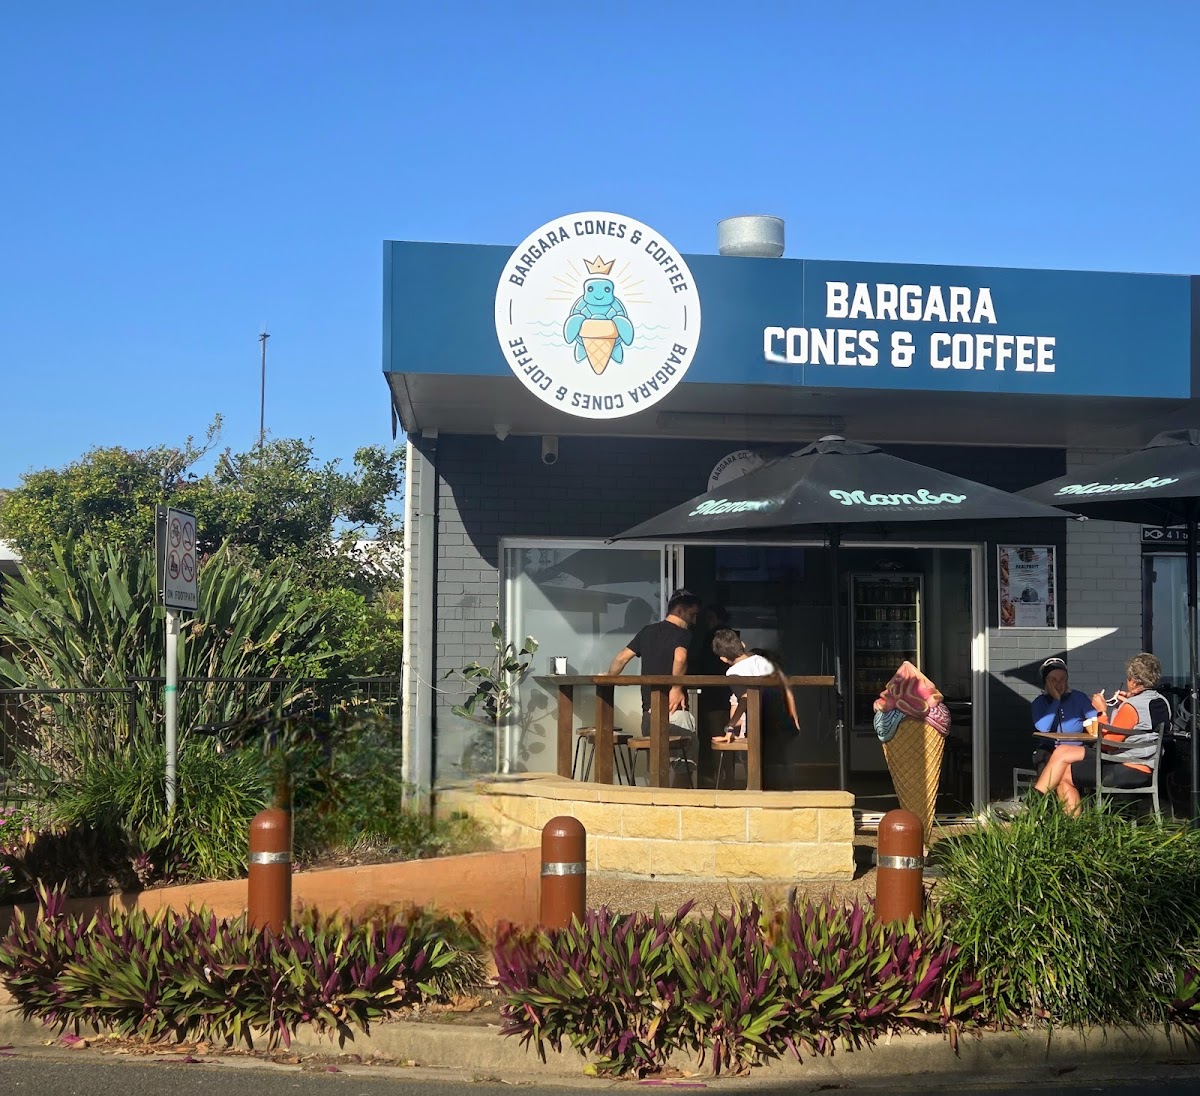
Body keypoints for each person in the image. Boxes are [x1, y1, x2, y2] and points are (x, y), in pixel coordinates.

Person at [1034, 652, 1171, 814]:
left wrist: (1101, 712)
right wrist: (1127, 702)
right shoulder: (1162, 702)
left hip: (1127, 768)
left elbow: (1107, 745)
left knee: (1064, 774)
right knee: (1063, 751)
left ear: (1133, 681)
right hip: (1145, 764)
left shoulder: (1131, 707)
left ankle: (1064, 822)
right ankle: (1033, 803)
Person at [709, 628, 799, 788]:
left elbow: (744, 700)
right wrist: (794, 717)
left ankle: (753, 793)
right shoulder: (762, 660)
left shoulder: (733, 672)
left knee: (751, 761)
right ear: (742, 644)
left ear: (723, 658)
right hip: (778, 719)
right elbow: (785, 688)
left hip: (756, 723)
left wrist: (730, 728)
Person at [607, 589, 700, 732]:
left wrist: (608, 680)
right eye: (692, 615)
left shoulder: (647, 631)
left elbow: (621, 658)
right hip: (674, 708)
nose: (694, 621)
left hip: (649, 711)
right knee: (683, 753)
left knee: (654, 753)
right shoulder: (684, 634)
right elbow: (680, 657)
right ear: (680, 610)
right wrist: (676, 688)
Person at [690, 604, 731, 787]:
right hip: (727, 695)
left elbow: (705, 664)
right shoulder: (731, 636)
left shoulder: (714, 637)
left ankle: (720, 778)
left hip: (715, 695)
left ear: (713, 617)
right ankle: (725, 777)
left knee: (715, 736)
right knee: (725, 735)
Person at [1030, 658, 1097, 768]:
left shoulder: (1079, 698)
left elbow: (1095, 718)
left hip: (1076, 748)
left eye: (1062, 679)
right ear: (1045, 682)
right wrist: (1056, 700)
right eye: (1053, 680)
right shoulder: (1039, 702)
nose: (1058, 684)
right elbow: (1043, 728)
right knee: (1045, 759)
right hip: (1050, 749)